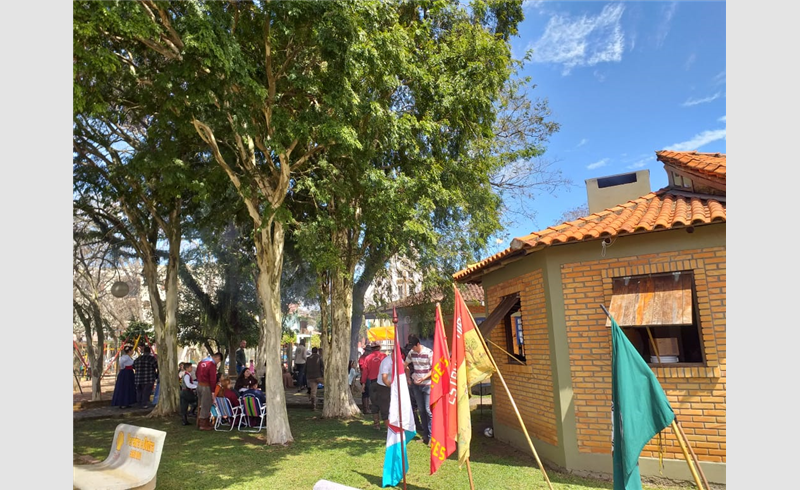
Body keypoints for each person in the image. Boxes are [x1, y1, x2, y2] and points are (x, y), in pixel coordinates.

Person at [405, 334, 433, 445]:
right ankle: (425, 436)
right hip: (416, 385)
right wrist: (408, 377)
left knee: (428, 410)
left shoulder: (428, 353)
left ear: (418, 344)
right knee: (421, 410)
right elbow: (405, 365)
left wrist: (423, 378)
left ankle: (432, 436)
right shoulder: (411, 353)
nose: (412, 349)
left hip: (427, 384)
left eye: (413, 346)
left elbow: (434, 369)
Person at [362, 341, 387, 429]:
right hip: (384, 383)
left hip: (373, 383)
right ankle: (387, 424)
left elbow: (365, 372)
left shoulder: (368, 358)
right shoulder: (384, 357)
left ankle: (376, 424)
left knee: (374, 403)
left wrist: (363, 383)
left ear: (372, 349)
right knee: (385, 403)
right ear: (379, 348)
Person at [196, 352, 223, 431]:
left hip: (199, 385)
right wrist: (213, 390)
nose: (218, 363)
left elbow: (197, 373)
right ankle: (203, 424)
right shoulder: (211, 364)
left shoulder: (201, 362)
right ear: (217, 358)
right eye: (219, 361)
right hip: (206, 386)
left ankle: (200, 421)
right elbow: (212, 378)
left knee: (201, 404)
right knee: (206, 405)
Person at [133, 345, 159, 409]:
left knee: (139, 391)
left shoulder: (138, 359)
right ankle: (144, 404)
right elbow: (156, 366)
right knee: (146, 392)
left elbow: (133, 366)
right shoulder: (151, 359)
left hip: (138, 378)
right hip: (148, 378)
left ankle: (139, 403)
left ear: (143, 351)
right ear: (150, 351)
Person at [374, 348, 394, 429]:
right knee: (385, 407)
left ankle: (393, 426)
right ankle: (388, 428)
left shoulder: (399, 360)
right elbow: (384, 379)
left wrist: (407, 378)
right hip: (383, 386)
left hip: (392, 384)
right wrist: (392, 387)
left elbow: (406, 367)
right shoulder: (386, 362)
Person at [179, 361, 198, 426]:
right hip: (186, 392)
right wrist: (196, 386)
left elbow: (191, 382)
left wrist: (197, 384)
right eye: (190, 367)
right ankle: (192, 412)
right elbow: (188, 385)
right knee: (196, 400)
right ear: (187, 368)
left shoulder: (187, 375)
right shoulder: (187, 375)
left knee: (184, 406)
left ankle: (184, 420)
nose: (191, 368)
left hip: (183, 392)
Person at [358, 347, 371, 413]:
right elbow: (363, 368)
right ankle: (365, 409)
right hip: (364, 377)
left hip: (368, 376)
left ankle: (367, 407)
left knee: (368, 393)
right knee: (365, 393)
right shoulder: (362, 358)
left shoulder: (367, 358)